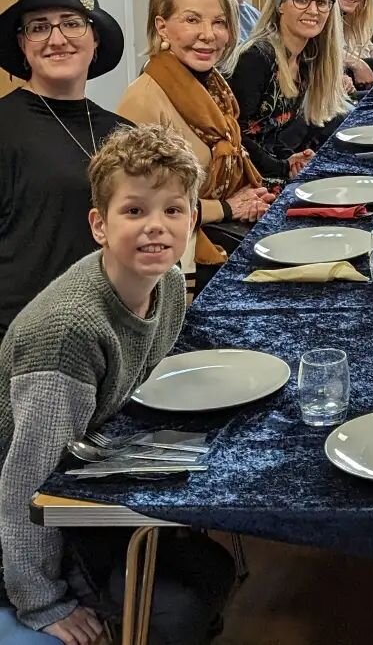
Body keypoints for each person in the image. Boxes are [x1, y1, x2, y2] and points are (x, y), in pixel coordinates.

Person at [0, 123, 234, 644]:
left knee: (210, 573)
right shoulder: (67, 334)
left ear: (193, 219)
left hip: (87, 464)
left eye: (173, 210)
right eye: (134, 211)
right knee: (177, 607)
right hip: (30, 517)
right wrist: (42, 601)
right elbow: (23, 483)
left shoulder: (168, 282)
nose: (156, 227)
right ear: (99, 225)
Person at [117, 0, 275, 278]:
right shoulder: (143, 98)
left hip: (216, 234)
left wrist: (249, 201)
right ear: (162, 27)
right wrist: (228, 208)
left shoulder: (215, 87)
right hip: (174, 267)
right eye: (192, 20)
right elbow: (140, 207)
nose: (208, 34)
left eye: (219, 22)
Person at [0, 0, 129, 340]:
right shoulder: (4, 129)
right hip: (26, 340)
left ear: (96, 39)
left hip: (112, 330)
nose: (57, 40)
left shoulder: (125, 134)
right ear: (22, 46)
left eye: (72, 24)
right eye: (39, 28)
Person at [230, 0, 350, 181]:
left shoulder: (306, 60)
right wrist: (283, 167)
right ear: (280, 4)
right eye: (302, 0)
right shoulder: (256, 58)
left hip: (268, 169)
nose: (313, 11)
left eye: (322, 2)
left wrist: (292, 160)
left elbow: (270, 134)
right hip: (245, 178)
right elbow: (237, 137)